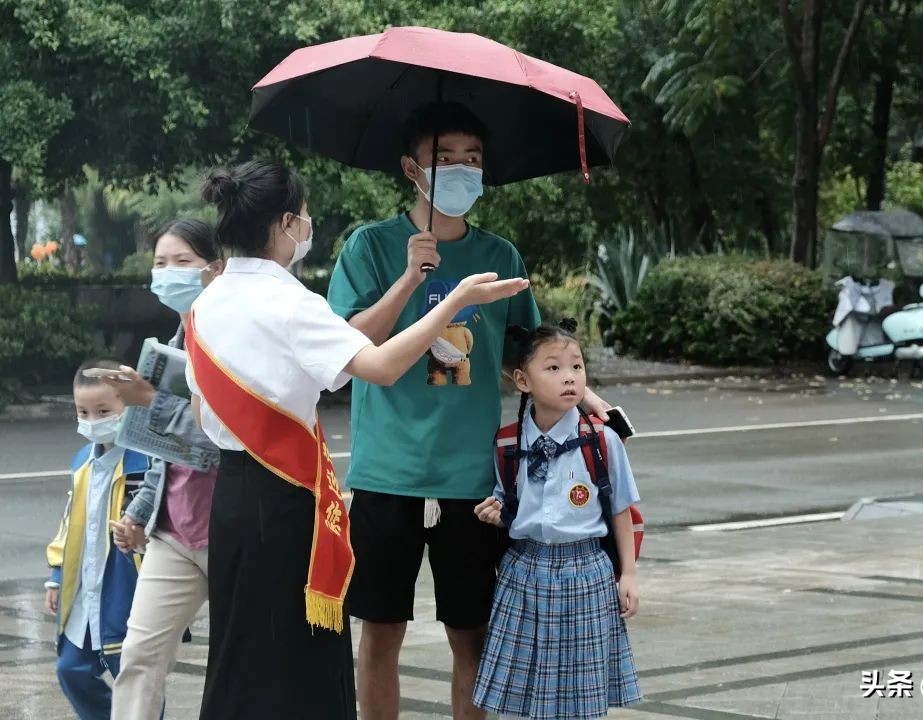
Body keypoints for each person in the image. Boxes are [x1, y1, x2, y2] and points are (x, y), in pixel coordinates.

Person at [188, 159, 527, 720]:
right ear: (287, 223)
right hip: (287, 498)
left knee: (240, 646)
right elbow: (380, 366)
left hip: (232, 499)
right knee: (302, 658)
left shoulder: (208, 303)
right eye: (305, 218)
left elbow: (204, 412)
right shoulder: (291, 303)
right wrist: (452, 301)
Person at [326, 101, 611, 720]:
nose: (461, 171)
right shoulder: (370, 247)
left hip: (476, 481)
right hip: (387, 474)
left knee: (473, 636)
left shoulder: (501, 258)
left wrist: (583, 394)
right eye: (445, 159)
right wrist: (410, 278)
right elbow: (352, 345)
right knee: (379, 634)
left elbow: (531, 353)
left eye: (472, 160)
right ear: (411, 167)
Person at [472, 320, 642, 719]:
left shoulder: (603, 440)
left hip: (587, 573)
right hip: (523, 573)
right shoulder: (508, 442)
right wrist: (494, 514)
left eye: (577, 367)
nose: (569, 378)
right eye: (553, 368)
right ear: (522, 380)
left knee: (581, 701)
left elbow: (620, 509)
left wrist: (629, 575)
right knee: (518, 696)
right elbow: (508, 502)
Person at [101, 219, 223, 720]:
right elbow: (164, 452)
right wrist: (139, 512)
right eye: (159, 263)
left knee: (242, 659)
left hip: (232, 527)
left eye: (182, 262)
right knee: (140, 656)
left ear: (214, 270)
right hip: (173, 533)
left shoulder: (226, 340)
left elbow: (218, 439)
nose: (167, 273)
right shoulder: (172, 342)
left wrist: (150, 400)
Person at [45, 359, 152, 720]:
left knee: (136, 679)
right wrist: (58, 575)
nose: (93, 421)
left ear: (129, 407)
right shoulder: (82, 462)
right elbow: (68, 521)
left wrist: (140, 532)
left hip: (130, 591)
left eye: (103, 411)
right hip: (86, 592)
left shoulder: (146, 462)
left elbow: (170, 518)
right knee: (70, 669)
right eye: (83, 412)